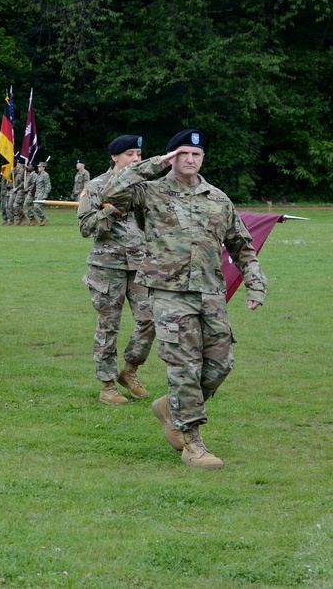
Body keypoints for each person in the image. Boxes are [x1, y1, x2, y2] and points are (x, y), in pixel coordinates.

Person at [101, 129, 266, 469]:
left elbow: (242, 246)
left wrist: (255, 284)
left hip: (210, 293)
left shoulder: (217, 199)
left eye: (196, 154)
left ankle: (169, 407)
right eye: (182, 154)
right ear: (171, 158)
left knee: (221, 364)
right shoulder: (150, 192)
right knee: (185, 368)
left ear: (202, 159)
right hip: (168, 294)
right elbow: (111, 191)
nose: (190, 160)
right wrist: (151, 165)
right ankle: (192, 443)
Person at [77, 135, 155, 405]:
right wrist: (111, 211)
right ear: (115, 157)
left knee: (151, 317)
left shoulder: (145, 186)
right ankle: (107, 385)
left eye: (139, 153)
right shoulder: (97, 186)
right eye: (131, 154)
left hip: (140, 266)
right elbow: (85, 228)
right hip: (106, 267)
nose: (136, 159)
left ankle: (130, 370)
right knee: (109, 326)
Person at [31, 161, 51, 226]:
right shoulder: (38, 175)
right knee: (38, 207)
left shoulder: (45, 175)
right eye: (38, 166)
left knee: (36, 206)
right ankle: (42, 220)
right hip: (37, 193)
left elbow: (48, 185)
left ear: (43, 168)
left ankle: (44, 217)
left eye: (40, 167)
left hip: (41, 193)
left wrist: (45, 194)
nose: (38, 168)